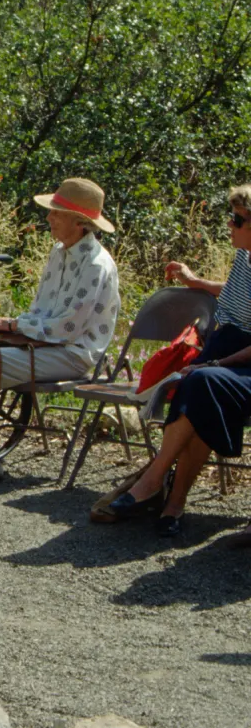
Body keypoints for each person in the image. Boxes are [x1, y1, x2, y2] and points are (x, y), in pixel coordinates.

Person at [0, 178, 121, 488]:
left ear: (79, 222)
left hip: (73, 354)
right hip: (45, 345)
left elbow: (67, 328)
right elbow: (40, 312)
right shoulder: (59, 252)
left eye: (56, 213)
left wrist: (13, 326)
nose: (49, 217)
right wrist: (4, 332)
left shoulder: (96, 265)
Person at [102, 185, 251, 540]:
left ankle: (154, 482)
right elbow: (236, 293)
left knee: (201, 383)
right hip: (222, 350)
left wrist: (218, 363)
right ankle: (172, 503)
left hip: (242, 360)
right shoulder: (245, 258)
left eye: (237, 219)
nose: (229, 225)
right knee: (198, 392)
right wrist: (195, 281)